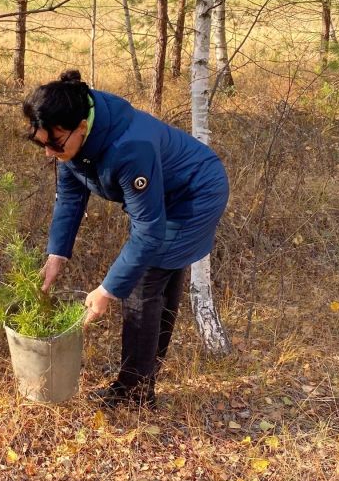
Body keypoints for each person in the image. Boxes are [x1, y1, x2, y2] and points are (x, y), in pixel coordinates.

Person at [23, 70, 229, 408]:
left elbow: (148, 231)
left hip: (195, 194)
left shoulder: (129, 147)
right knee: (154, 276)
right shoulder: (72, 130)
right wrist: (56, 254)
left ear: (82, 128)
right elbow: (71, 195)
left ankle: (134, 392)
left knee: (142, 285)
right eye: (42, 143)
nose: (49, 152)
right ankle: (144, 368)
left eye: (55, 144)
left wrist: (107, 290)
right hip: (170, 194)